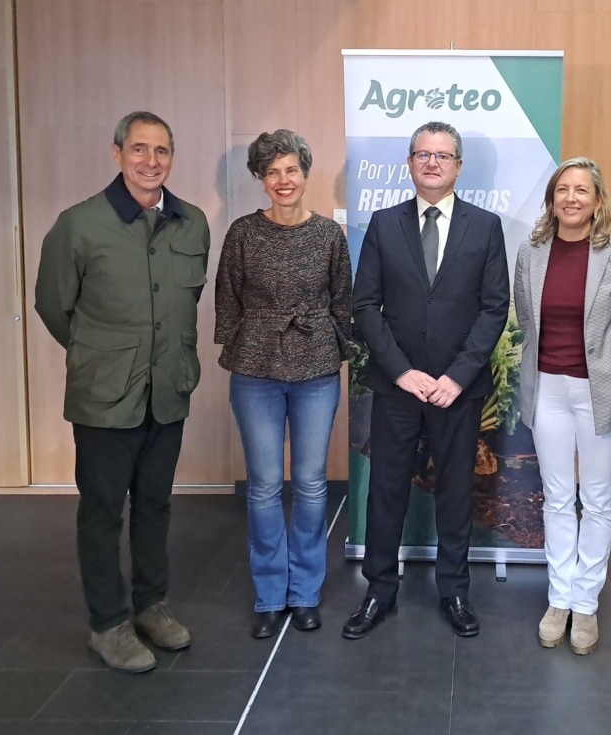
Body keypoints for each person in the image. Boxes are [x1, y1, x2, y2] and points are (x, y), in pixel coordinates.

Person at [35, 111, 209, 672]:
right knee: (104, 510)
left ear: (172, 158)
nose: (150, 161)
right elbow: (54, 307)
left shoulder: (193, 223)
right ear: (117, 154)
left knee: (155, 504)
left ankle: (151, 606)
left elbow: (189, 303)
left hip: (168, 391)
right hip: (106, 397)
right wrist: (101, 358)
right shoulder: (78, 225)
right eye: (139, 149)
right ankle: (108, 625)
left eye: (161, 151)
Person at [343, 121, 509, 640]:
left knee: (455, 492)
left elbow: (494, 308)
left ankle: (455, 592)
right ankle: (379, 591)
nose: (432, 162)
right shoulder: (384, 223)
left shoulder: (485, 227)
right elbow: (365, 305)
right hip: (398, 387)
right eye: (422, 154)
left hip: (458, 391)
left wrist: (458, 377)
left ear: (459, 166)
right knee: (386, 491)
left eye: (442, 155)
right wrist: (403, 371)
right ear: (410, 164)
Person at [214, 129, 352, 640]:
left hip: (316, 368)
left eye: (291, 169)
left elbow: (343, 299)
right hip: (255, 370)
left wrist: (341, 347)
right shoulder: (242, 233)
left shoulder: (329, 236)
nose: (282, 180)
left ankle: (306, 592)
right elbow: (226, 294)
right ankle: (271, 593)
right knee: (266, 484)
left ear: (305, 173)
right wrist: (234, 342)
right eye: (272, 172)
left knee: (313, 483)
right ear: (260, 179)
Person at [514, 157, 611, 654]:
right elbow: (527, 319)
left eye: (581, 190)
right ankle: (559, 598)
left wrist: (607, 363)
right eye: (562, 189)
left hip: (599, 391)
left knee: (598, 499)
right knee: (557, 496)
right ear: (552, 198)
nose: (571, 198)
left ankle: (585, 604)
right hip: (547, 388)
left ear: (597, 201)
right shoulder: (531, 251)